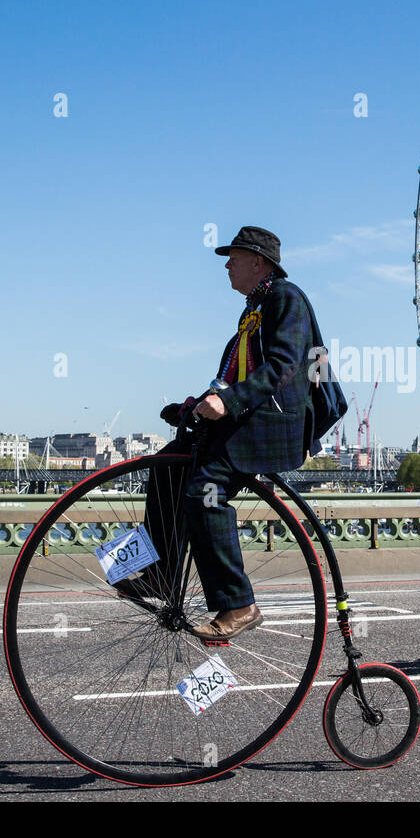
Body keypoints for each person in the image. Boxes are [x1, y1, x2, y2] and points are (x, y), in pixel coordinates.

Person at [139, 226, 343, 640]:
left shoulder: (287, 298)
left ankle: (239, 603)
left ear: (259, 261)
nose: (227, 264)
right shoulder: (255, 309)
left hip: (277, 426)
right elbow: (234, 376)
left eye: (233, 256)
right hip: (252, 420)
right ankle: (158, 572)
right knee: (166, 468)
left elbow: (286, 365)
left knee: (204, 492)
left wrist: (229, 404)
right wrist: (198, 403)